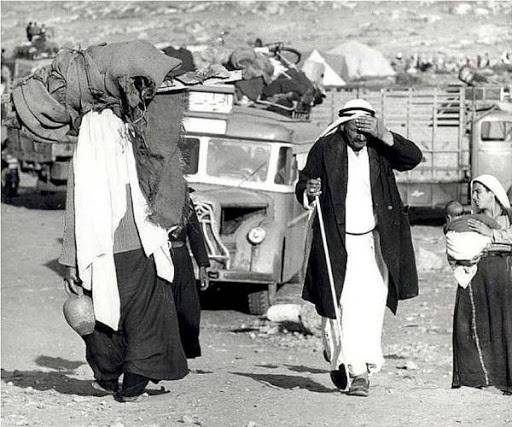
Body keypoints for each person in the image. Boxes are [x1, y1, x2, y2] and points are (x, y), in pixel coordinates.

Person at [295, 98, 422, 397]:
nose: (361, 136)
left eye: (367, 129)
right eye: (356, 129)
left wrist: (384, 134)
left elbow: (413, 158)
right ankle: (357, 371)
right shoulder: (325, 148)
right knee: (346, 302)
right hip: (339, 240)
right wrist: (308, 190)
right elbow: (303, 182)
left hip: (375, 240)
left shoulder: (380, 147)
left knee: (373, 301)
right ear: (343, 126)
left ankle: (355, 360)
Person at [59, 110, 188, 402]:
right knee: (145, 318)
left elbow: (73, 213)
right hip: (143, 248)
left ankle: (107, 377)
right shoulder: (138, 153)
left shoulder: (84, 161)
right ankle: (132, 385)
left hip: (101, 253)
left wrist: (70, 261)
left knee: (105, 318)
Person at [451, 174, 512, 395]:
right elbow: (455, 245)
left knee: (506, 326)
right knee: (472, 325)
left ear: (492, 194)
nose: (474, 197)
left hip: (505, 277)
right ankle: (478, 377)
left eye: (478, 192)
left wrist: (492, 234)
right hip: (476, 277)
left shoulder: (508, 218)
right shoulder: (470, 221)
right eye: (473, 192)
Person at [169, 194, 210, 359]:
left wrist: (202, 266)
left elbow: (195, 233)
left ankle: (183, 354)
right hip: (156, 258)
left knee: (187, 307)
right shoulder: (148, 195)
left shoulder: (184, 199)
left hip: (181, 259)